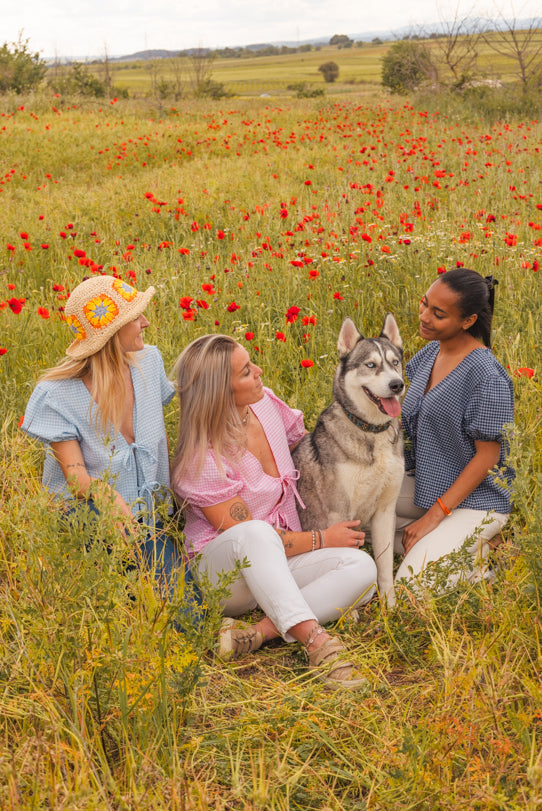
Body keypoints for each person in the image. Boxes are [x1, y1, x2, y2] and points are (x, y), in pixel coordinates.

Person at [171, 333, 378, 691]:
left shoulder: (264, 403)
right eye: (247, 371)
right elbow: (250, 537)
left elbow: (302, 443)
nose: (260, 372)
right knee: (255, 532)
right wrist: (322, 539)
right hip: (225, 577)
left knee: (362, 568)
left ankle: (258, 632)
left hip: (279, 563)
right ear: (221, 392)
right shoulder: (201, 457)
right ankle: (318, 644)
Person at [21, 274, 186, 601]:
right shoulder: (57, 395)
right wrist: (107, 495)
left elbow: (160, 438)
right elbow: (75, 478)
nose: (146, 322)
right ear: (109, 333)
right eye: (135, 317)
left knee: (186, 611)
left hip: (149, 520)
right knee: (132, 602)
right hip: (88, 516)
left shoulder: (149, 362)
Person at [394, 267, 514, 585]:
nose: (424, 316)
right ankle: (444, 548)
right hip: (428, 485)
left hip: (477, 501)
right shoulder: (430, 353)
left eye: (438, 313)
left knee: (413, 586)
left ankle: (486, 560)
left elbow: (487, 458)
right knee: (352, 511)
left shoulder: (487, 377)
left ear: (468, 321)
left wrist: (433, 518)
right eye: (424, 304)